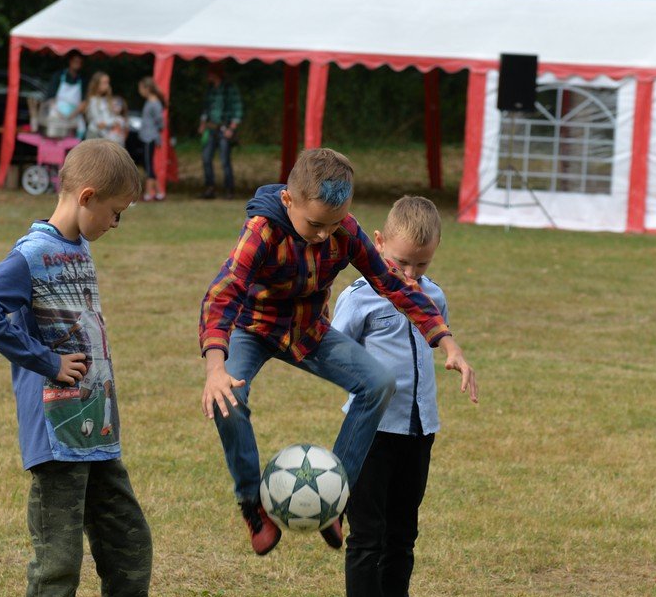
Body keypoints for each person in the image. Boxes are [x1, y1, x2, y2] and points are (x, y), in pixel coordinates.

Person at [0, 139, 203, 597]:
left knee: (129, 542)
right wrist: (45, 361)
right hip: (57, 436)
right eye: (116, 213)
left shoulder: (78, 248)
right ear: (87, 197)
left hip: (96, 433)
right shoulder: (32, 255)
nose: (117, 224)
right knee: (59, 561)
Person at [199, 148, 476, 556]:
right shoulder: (262, 232)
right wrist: (215, 369)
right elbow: (223, 294)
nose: (324, 234)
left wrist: (446, 341)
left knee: (378, 383)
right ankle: (252, 503)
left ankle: (335, 496)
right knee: (229, 397)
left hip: (308, 331)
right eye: (315, 224)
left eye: (333, 224)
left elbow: (393, 284)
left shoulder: (343, 230)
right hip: (253, 329)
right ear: (288, 201)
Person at [331, 196, 477, 597]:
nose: (411, 275)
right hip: (371, 434)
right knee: (368, 535)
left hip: (418, 432)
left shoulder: (433, 297)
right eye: (401, 263)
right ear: (377, 244)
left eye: (422, 264)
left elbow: (437, 335)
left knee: (402, 534)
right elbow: (333, 353)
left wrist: (454, 355)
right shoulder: (359, 298)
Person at [198, 63, 242, 199]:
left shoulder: (229, 89)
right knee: (206, 158)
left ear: (216, 74)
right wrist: (203, 124)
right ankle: (210, 188)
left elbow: (237, 109)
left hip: (224, 129)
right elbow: (206, 108)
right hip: (211, 129)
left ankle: (229, 190)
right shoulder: (210, 89)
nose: (207, 76)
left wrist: (231, 128)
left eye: (210, 73)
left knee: (225, 161)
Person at [127, 78, 166, 202]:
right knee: (147, 164)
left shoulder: (154, 103)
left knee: (149, 165)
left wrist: (156, 134)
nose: (140, 91)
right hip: (146, 136)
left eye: (141, 88)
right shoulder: (149, 102)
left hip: (150, 137)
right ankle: (159, 193)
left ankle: (149, 193)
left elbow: (160, 121)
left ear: (147, 89)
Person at [83, 72, 127, 144]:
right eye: (104, 83)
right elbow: (100, 124)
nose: (107, 86)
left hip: (105, 136)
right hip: (95, 136)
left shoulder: (107, 100)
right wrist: (114, 122)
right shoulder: (93, 101)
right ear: (96, 85)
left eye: (108, 83)